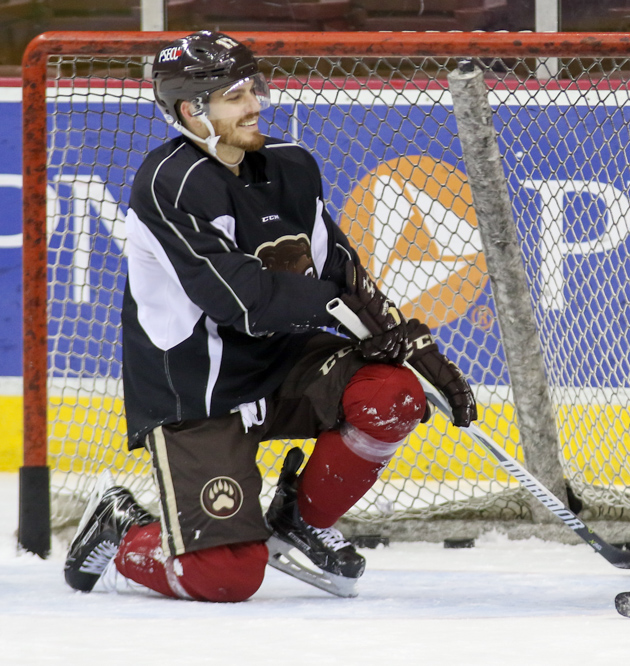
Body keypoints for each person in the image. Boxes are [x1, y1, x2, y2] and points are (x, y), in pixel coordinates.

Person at [62, 31, 477, 602]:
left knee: (392, 393)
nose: (256, 103)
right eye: (235, 95)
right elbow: (241, 302)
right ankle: (125, 528)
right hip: (196, 383)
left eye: (253, 87)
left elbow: (344, 271)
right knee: (225, 578)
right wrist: (338, 308)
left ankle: (300, 522)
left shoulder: (291, 166)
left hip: (282, 362)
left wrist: (421, 354)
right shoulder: (167, 184)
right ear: (192, 110)